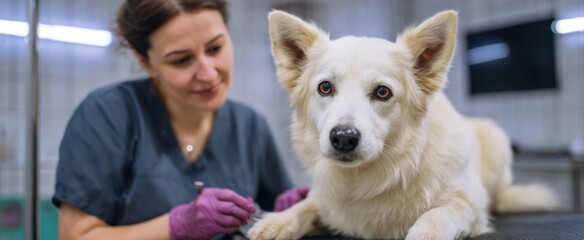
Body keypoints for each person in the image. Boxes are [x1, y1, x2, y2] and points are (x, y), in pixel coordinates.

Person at [52, 0, 308, 239]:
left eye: (215, 48)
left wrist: (292, 213)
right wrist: (176, 225)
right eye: (181, 60)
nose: (208, 74)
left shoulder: (250, 126)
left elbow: (273, 208)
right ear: (146, 61)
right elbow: (76, 234)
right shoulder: (107, 116)